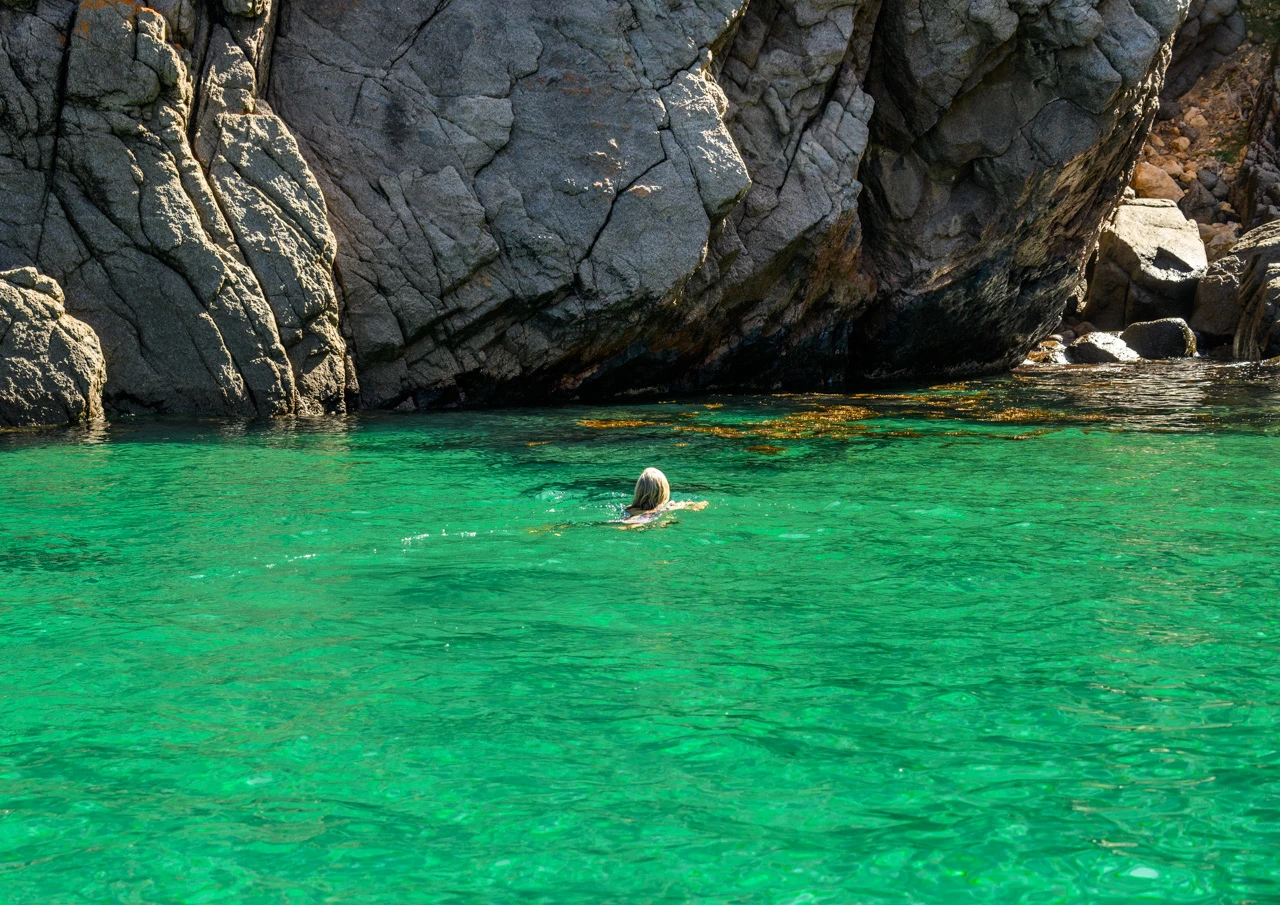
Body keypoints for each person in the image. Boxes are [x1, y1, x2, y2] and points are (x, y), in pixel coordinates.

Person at [620, 467, 706, 526]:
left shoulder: (629, 509)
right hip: (653, 520)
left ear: (638, 490)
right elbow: (702, 505)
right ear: (664, 490)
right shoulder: (670, 506)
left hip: (637, 520)